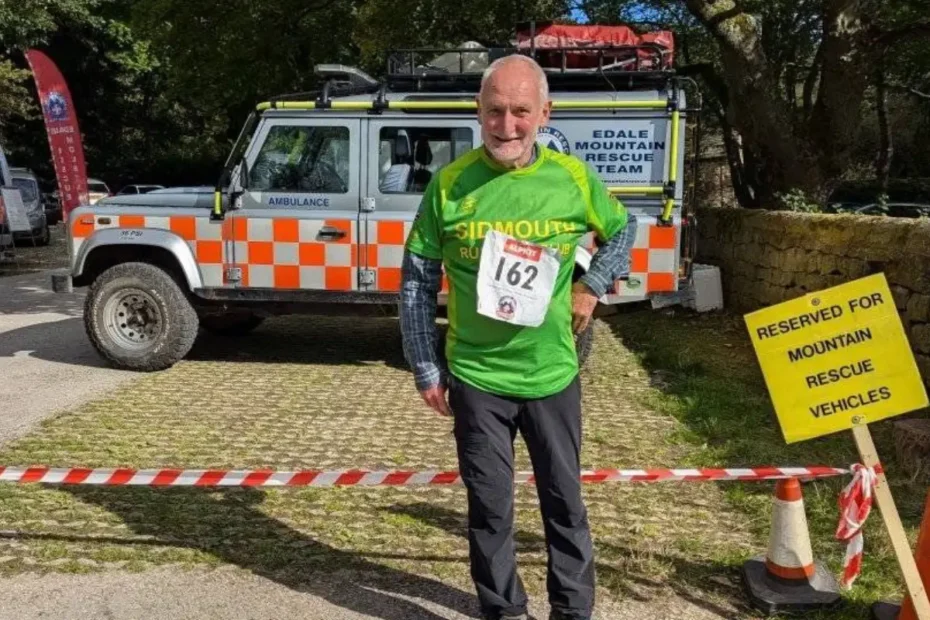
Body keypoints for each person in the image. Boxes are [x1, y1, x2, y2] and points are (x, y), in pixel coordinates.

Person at [399, 53, 637, 620]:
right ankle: (505, 611)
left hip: (552, 375)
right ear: (478, 112)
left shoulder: (574, 179)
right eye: (495, 112)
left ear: (545, 113)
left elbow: (624, 228)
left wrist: (593, 284)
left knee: (564, 503)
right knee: (490, 510)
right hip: (478, 378)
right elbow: (415, 281)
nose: (507, 126)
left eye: (521, 112)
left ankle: (573, 611)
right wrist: (426, 367)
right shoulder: (449, 186)